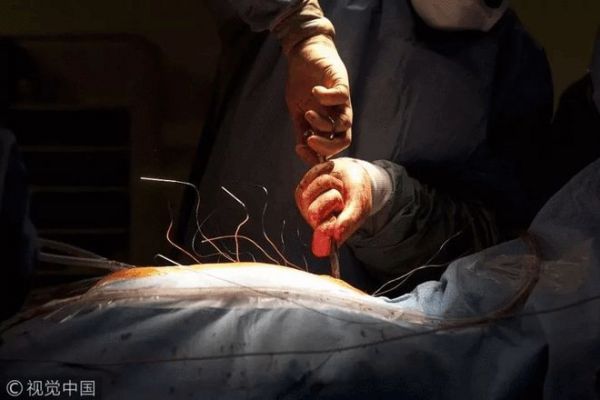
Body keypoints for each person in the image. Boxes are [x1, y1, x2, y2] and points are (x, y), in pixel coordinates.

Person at [185, 0, 553, 292]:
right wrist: (301, 29)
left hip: (368, 340)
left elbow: (490, 247)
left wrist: (382, 196)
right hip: (220, 290)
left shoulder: (516, 69)